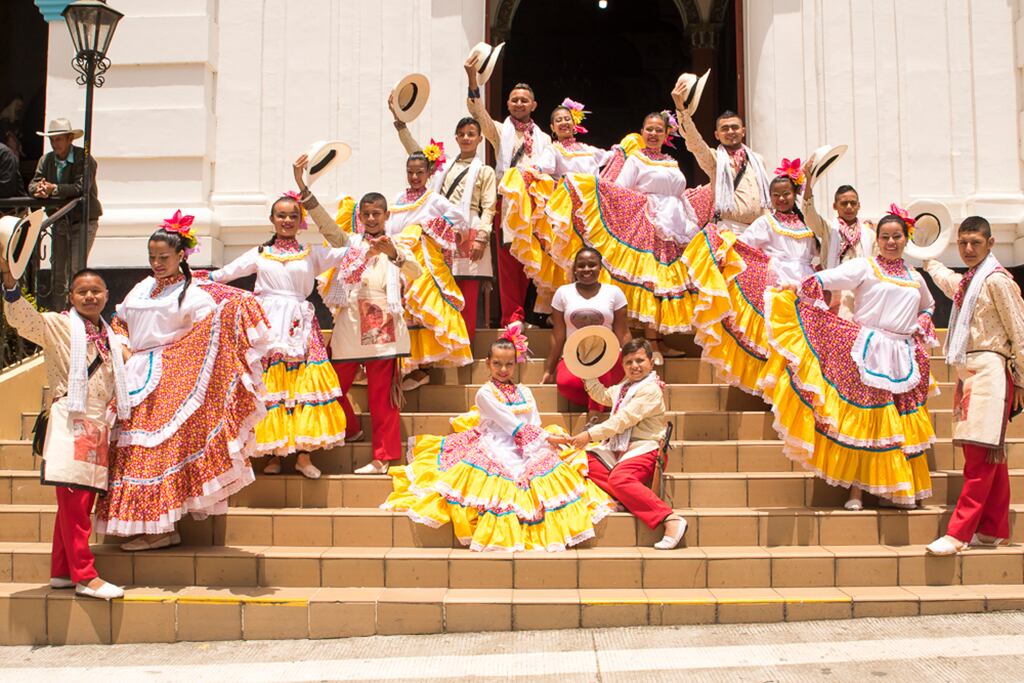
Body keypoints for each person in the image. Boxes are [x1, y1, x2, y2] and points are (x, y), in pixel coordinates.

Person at [95, 212, 271, 550]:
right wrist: (123, 344)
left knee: (162, 452)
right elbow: (120, 321)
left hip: (171, 376)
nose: (157, 263)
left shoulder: (194, 293)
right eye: (152, 257)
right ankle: (147, 526)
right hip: (133, 373)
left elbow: (209, 332)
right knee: (132, 451)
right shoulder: (142, 287)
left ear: (181, 256)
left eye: (164, 257)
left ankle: (162, 528)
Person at [763, 211, 937, 509]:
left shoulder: (914, 277)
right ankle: (856, 493)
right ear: (877, 240)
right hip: (868, 351)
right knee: (867, 422)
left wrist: (922, 322)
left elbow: (929, 305)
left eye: (897, 236)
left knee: (897, 426)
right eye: (885, 237)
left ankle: (894, 490)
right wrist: (796, 287)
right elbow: (824, 278)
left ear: (906, 238)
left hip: (902, 356)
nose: (891, 242)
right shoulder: (865, 267)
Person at [383, 331, 615, 551]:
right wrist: (548, 438)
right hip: (497, 443)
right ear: (487, 363)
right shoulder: (484, 393)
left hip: (529, 442)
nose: (503, 369)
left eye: (509, 364)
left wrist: (544, 442)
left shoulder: (525, 391)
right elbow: (511, 426)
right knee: (504, 485)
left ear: (516, 364)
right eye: (497, 364)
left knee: (550, 472)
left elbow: (533, 422)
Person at [208, 192, 355, 479]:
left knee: (303, 386)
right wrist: (192, 277)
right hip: (266, 327)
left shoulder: (312, 253)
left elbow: (347, 248)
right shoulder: (260, 253)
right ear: (272, 219)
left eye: (293, 216)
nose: (287, 220)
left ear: (301, 221)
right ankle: (274, 453)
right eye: (281, 215)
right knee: (271, 387)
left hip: (301, 326)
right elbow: (225, 274)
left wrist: (314, 201)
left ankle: (303, 454)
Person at [1, 262, 126, 599]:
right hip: (71, 419)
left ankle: (61, 571)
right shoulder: (58, 325)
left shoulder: (112, 337)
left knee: (79, 502)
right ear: (70, 297)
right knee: (74, 500)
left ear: (106, 295)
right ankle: (86, 576)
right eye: (82, 291)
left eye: (95, 291)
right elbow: (24, 320)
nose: (89, 296)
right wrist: (11, 285)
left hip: (98, 422)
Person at [545, 112, 700, 364]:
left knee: (666, 282)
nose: (652, 134)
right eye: (648, 129)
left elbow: (679, 192)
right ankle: (651, 344)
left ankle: (660, 340)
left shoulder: (672, 161)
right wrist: (583, 184)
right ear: (642, 131)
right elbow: (620, 189)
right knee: (653, 282)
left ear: (666, 134)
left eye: (658, 130)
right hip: (649, 223)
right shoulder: (636, 159)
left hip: (676, 226)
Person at [301, 180, 422, 476]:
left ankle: (383, 458)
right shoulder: (350, 244)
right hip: (350, 320)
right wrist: (307, 195)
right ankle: (351, 428)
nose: (371, 219)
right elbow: (328, 228)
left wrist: (393, 253)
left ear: (386, 215)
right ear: (360, 216)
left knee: (382, 396)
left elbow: (416, 273)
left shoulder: (398, 245)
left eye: (376, 214)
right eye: (366, 214)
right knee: (331, 385)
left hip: (382, 320)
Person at [924, 216, 1024, 554]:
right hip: (970, 369)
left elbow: (1020, 334)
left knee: (979, 455)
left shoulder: (997, 281)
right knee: (986, 450)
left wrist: (1021, 382)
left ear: (991, 244)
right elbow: (948, 282)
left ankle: (959, 533)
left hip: (993, 368)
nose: (968, 249)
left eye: (975, 243)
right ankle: (994, 528)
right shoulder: (970, 282)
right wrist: (927, 258)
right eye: (963, 243)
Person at [684, 167, 818, 396]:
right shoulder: (765, 223)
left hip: (807, 283)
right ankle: (779, 388)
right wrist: (720, 243)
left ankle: (801, 389)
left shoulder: (808, 223)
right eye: (776, 195)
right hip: (780, 282)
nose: (781, 198)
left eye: (786, 193)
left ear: (794, 193)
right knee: (783, 337)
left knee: (807, 338)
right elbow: (742, 247)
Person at [563, 338, 687, 549]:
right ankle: (628, 496)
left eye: (639, 360)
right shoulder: (625, 387)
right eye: (629, 362)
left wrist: (589, 435)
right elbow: (602, 395)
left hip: (644, 449)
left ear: (651, 361)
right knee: (579, 462)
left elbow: (622, 420)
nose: (634, 366)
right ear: (623, 366)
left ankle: (670, 519)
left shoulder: (650, 390)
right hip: (619, 448)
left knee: (619, 479)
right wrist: (587, 371)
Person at [390, 104, 497, 343]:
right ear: (456, 138)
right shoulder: (441, 166)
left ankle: (464, 347)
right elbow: (416, 156)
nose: (467, 138)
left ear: (480, 139)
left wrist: (481, 238)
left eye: (472, 134)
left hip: (469, 229)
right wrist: (400, 126)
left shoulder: (485, 170)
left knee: (466, 294)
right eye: (462, 134)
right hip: (437, 233)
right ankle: (441, 347)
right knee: (438, 291)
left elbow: (489, 207)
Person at [465, 57, 552, 325]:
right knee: (509, 262)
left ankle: (531, 315)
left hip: (535, 203)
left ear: (534, 105)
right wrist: (471, 78)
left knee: (532, 261)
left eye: (524, 100)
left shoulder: (544, 137)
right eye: (514, 99)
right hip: (508, 201)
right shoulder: (499, 130)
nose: (519, 104)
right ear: (508, 104)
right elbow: (477, 112)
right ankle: (511, 319)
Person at [501, 100, 610, 313]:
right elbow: (544, 166)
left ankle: (596, 303)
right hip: (567, 210)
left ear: (574, 123)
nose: (563, 123)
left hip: (593, 210)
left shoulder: (589, 150)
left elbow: (613, 158)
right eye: (558, 120)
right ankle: (568, 306)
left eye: (566, 119)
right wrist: (525, 172)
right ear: (552, 128)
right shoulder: (554, 149)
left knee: (594, 253)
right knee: (568, 255)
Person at [383, 150, 473, 391]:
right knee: (403, 306)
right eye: (410, 172)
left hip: (422, 256)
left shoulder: (434, 199)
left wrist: (426, 228)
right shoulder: (398, 197)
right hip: (396, 255)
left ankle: (425, 368)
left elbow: (460, 219)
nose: (414, 177)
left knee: (424, 304)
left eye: (420, 172)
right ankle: (409, 363)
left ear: (429, 173)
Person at [542, 248, 629, 426]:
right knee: (565, 383)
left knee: (600, 367)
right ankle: (603, 400)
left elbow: (623, 332)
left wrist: (634, 361)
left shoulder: (614, 293)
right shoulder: (563, 293)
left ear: (600, 268)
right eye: (581, 265)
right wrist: (549, 370)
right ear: (574, 269)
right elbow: (558, 334)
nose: (586, 269)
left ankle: (594, 416)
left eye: (592, 265)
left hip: (609, 357)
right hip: (576, 357)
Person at [28, 118, 101, 308]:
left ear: (69, 139)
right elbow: (33, 184)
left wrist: (55, 189)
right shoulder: (46, 160)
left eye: (59, 139)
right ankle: (60, 313)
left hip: (83, 220)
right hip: (60, 221)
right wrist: (40, 190)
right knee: (58, 272)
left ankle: (78, 314)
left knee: (76, 269)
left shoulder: (84, 159)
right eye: (52, 140)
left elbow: (80, 187)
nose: (55, 144)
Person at [674, 97, 771, 233]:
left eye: (735, 127)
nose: (730, 131)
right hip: (730, 230)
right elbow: (694, 142)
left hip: (760, 231)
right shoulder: (715, 160)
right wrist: (681, 110)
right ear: (717, 135)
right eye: (725, 129)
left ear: (743, 131)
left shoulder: (758, 160)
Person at [803, 184, 876, 317]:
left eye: (853, 203)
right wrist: (808, 181)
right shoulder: (829, 229)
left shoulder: (869, 234)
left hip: (861, 292)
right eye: (844, 203)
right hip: (834, 292)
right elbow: (809, 214)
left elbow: (877, 265)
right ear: (835, 206)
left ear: (859, 206)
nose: (849, 207)